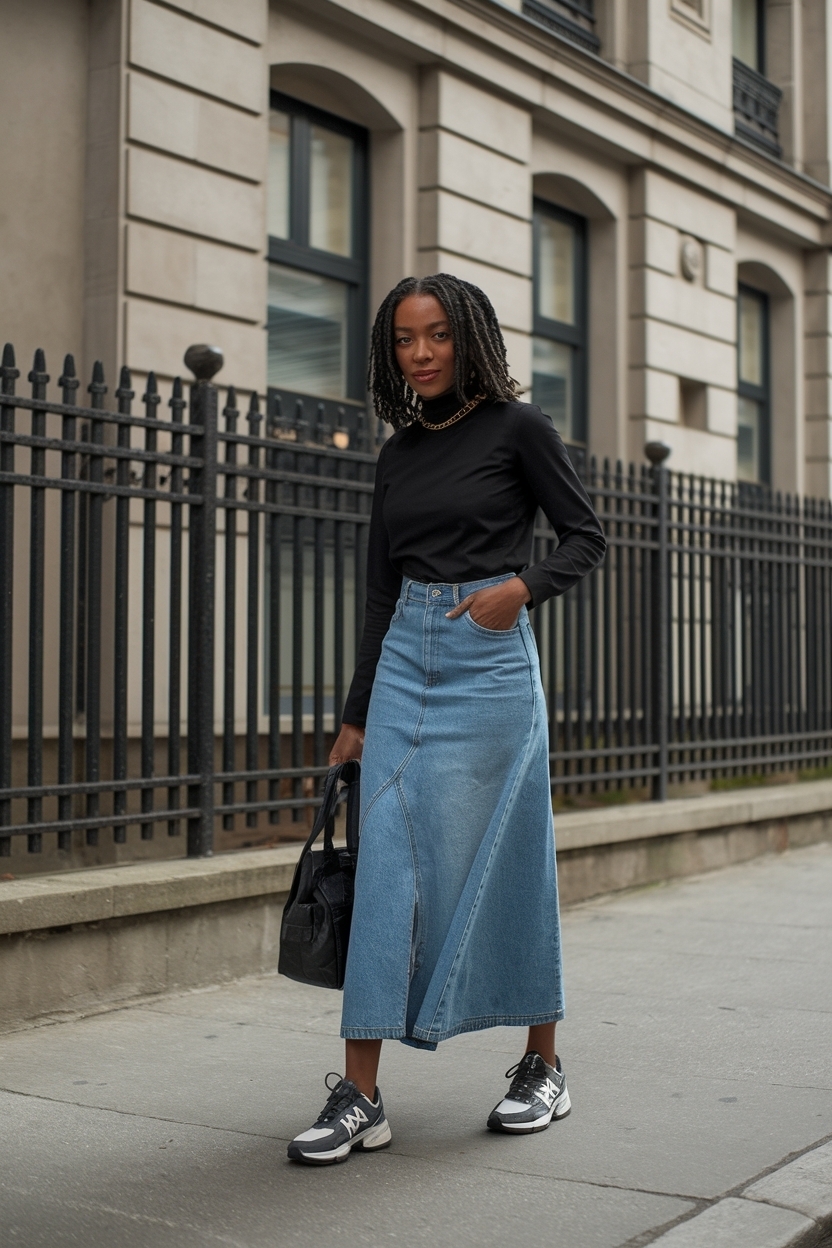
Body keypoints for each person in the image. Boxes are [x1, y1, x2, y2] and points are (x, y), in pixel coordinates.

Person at [287, 273, 606, 1165]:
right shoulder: (397, 451)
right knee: (387, 859)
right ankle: (361, 1094)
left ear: (468, 338)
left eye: (435, 336)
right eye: (403, 340)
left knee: (510, 856)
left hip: (490, 659)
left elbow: (586, 536)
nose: (420, 354)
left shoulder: (520, 428)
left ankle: (542, 1064)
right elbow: (380, 588)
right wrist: (356, 713)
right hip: (405, 661)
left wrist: (520, 589)